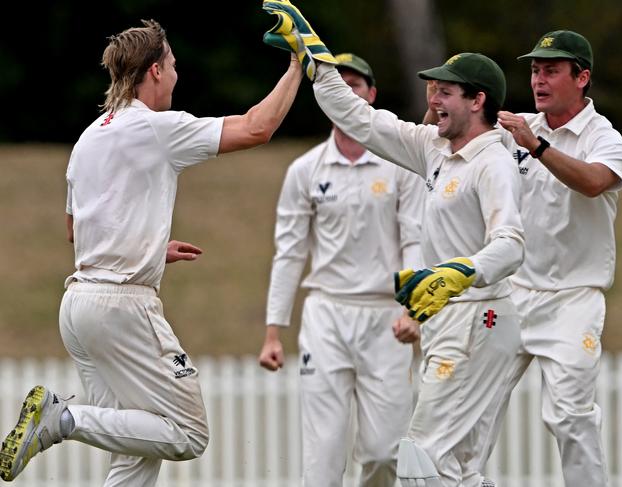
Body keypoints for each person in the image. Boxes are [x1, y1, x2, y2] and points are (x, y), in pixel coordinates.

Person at [0, 19, 303, 486]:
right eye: (175, 65)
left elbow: (74, 230)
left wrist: (148, 247)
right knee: (187, 432)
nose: (178, 75)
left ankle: (64, 420)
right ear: (156, 71)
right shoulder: (157, 129)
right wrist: (298, 65)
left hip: (78, 306)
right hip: (122, 308)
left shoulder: (87, 138)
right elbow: (256, 128)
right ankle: (61, 420)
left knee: (135, 446)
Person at [260, 6, 525, 487]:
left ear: (478, 100)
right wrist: (314, 58)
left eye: (445, 91)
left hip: (479, 317)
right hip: (452, 318)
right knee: (460, 470)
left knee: (421, 461)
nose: (432, 98)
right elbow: (360, 119)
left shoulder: (494, 162)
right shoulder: (433, 148)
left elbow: (511, 245)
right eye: (432, 88)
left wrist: (461, 272)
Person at [258, 52, 424, 487]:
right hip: (326, 315)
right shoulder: (304, 171)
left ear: (371, 95)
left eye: (356, 85)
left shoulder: (399, 164)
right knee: (323, 453)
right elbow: (289, 251)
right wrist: (274, 331)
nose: (348, 93)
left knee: (385, 451)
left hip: (386, 317)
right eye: (340, 85)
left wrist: (414, 309)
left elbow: (414, 240)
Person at [473, 30, 622, 487]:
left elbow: (595, 182)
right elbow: (448, 139)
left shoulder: (605, 137)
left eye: (552, 71)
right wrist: (447, 97)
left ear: (582, 77)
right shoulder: (516, 127)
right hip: (513, 293)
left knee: (569, 417)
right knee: (474, 404)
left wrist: (536, 147)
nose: (539, 80)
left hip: (573, 299)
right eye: (535, 70)